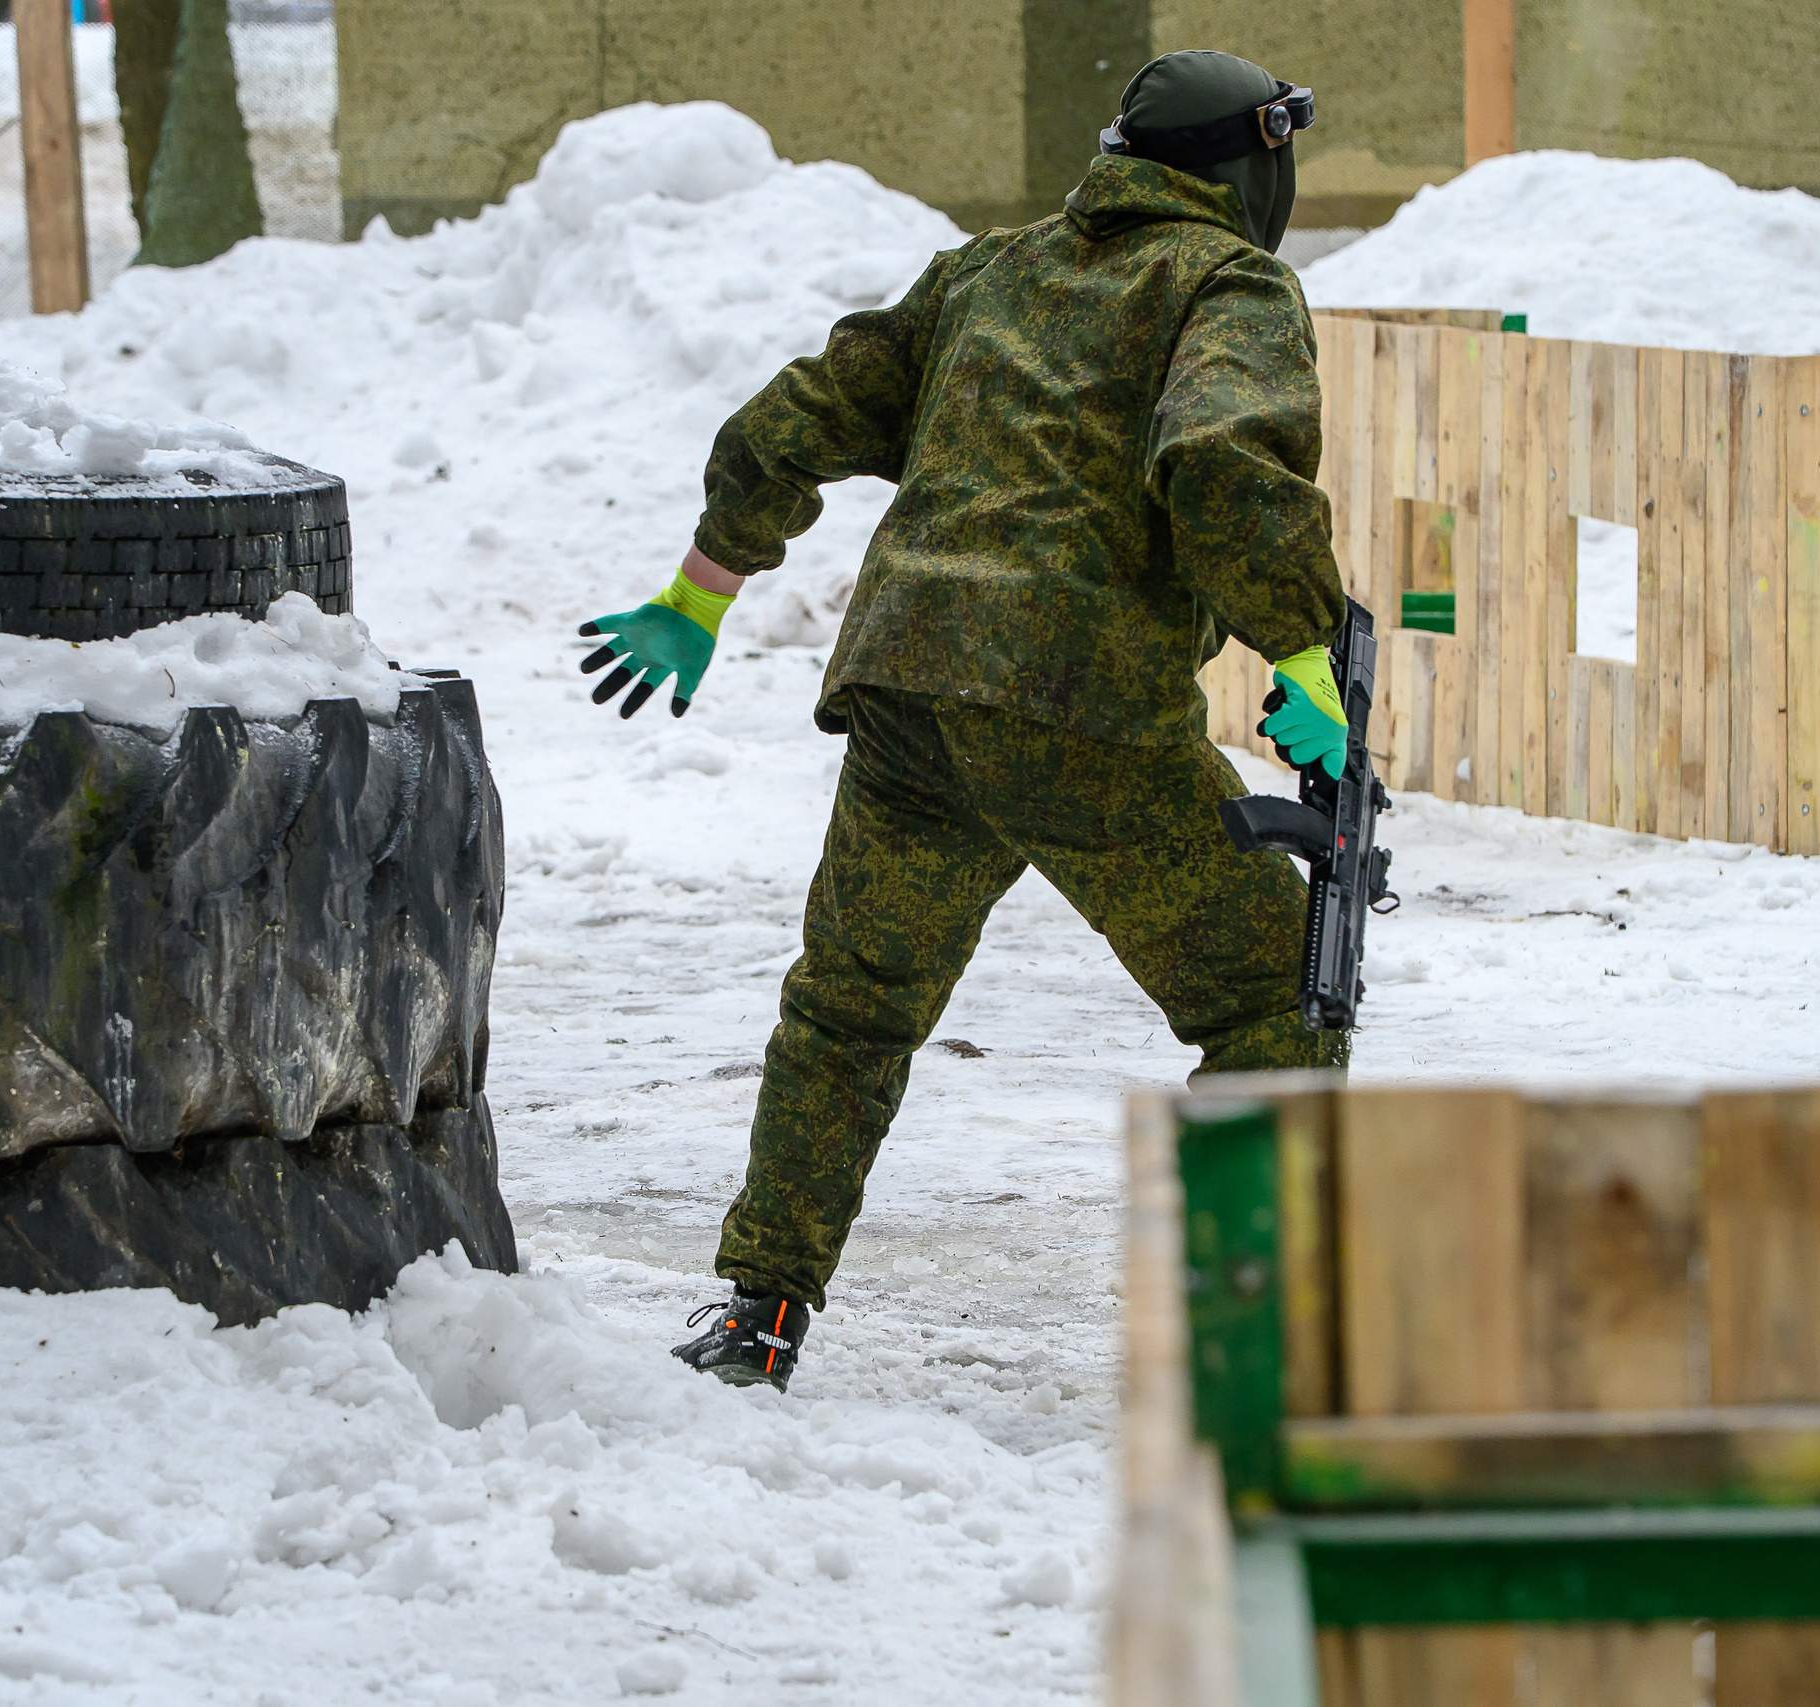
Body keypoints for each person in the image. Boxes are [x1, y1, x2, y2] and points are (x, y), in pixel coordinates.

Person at [574, 50, 1352, 1391]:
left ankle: (759, 1315)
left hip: (912, 687)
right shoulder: (1230, 284)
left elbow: (798, 412)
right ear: (1249, 169)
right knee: (1275, 1001)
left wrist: (702, 588)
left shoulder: (989, 273)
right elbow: (1223, 459)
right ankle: (1251, 1343)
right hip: (1076, 703)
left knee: (851, 1011)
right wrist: (1304, 651)